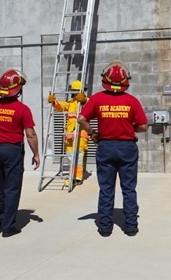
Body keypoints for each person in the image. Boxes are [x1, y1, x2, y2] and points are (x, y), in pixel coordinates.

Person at [77, 61, 148, 237]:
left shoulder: (97, 99)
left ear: (105, 79)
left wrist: (93, 133)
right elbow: (144, 126)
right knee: (129, 189)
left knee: (106, 189)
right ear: (126, 80)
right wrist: (130, 129)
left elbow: (81, 119)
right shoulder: (132, 101)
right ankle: (131, 227)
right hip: (127, 148)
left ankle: (105, 228)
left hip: (106, 147)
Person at [0, 69, 40, 237]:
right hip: (13, 150)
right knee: (11, 188)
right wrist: (36, 154)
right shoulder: (22, 109)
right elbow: (30, 134)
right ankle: (8, 227)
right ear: (18, 89)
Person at [48, 80, 89, 186]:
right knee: (70, 157)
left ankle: (78, 178)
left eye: (77, 91)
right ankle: (72, 176)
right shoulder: (71, 103)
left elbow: (90, 108)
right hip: (70, 135)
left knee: (79, 156)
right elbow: (62, 106)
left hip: (81, 135)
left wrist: (84, 101)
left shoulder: (87, 101)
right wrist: (54, 102)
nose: (75, 93)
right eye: (74, 91)